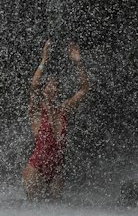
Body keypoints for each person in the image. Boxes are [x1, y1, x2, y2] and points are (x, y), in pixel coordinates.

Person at [22, 39, 89, 200]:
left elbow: (84, 89)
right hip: (36, 166)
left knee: (56, 207)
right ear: (44, 89)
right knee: (33, 206)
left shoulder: (64, 110)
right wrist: (44, 60)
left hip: (56, 168)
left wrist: (78, 63)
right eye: (49, 85)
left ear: (58, 91)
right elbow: (34, 85)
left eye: (56, 86)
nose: (53, 87)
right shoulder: (37, 112)